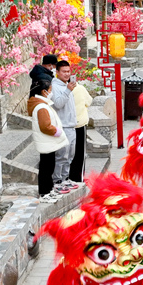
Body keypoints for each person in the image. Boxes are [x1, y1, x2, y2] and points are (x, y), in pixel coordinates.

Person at [27, 76, 68, 203]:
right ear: (44, 92)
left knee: (49, 166)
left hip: (47, 142)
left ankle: (49, 190)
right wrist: (57, 131)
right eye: (50, 90)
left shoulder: (42, 105)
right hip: (46, 142)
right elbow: (45, 126)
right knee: (46, 168)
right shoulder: (41, 107)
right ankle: (45, 193)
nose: (51, 93)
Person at [51, 60, 80, 193]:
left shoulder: (67, 86)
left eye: (68, 71)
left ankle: (65, 178)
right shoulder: (55, 86)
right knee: (62, 155)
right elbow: (58, 104)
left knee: (70, 155)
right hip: (62, 126)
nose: (67, 74)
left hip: (71, 125)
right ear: (57, 72)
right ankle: (57, 181)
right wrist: (68, 91)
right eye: (64, 71)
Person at [70, 78, 92, 184]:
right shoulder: (80, 89)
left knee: (68, 154)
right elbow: (89, 101)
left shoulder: (59, 89)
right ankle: (78, 179)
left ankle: (69, 177)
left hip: (66, 126)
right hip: (79, 124)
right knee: (79, 154)